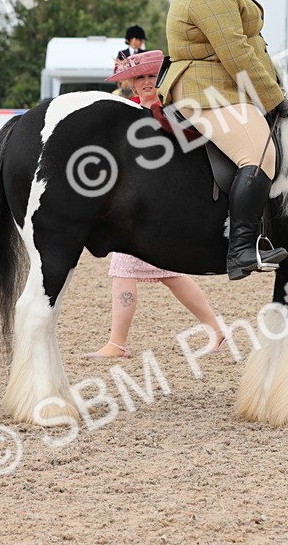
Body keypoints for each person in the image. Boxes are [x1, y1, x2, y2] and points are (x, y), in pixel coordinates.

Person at [157, 0, 288, 281]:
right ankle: (242, 249)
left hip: (219, 86)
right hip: (206, 91)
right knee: (260, 154)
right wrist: (274, 99)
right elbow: (237, 54)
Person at [87, 50, 226, 358]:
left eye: (152, 76)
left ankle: (117, 343)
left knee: (128, 268)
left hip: (162, 200)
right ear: (132, 83)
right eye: (140, 77)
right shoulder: (128, 110)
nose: (147, 82)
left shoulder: (173, 109)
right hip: (139, 199)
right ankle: (216, 330)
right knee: (168, 273)